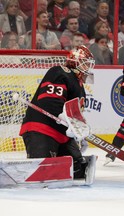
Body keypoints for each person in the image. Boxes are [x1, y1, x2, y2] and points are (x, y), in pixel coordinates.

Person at [19, 45, 96, 183]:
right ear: (75, 61)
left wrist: (80, 133)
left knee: (78, 170)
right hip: (42, 128)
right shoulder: (60, 72)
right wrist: (65, 119)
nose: (88, 68)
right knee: (43, 175)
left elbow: (75, 113)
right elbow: (50, 102)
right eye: (85, 63)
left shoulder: (79, 85)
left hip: (62, 133)